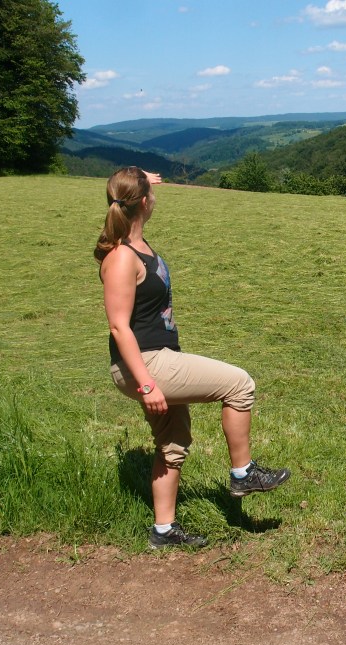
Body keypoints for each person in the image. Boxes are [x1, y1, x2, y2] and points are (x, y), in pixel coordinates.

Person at [95, 167, 290, 549]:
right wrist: (147, 384)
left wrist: (141, 174)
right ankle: (243, 472)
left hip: (156, 358)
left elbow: (122, 186)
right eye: (150, 192)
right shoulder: (121, 257)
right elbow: (119, 327)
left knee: (173, 443)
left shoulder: (135, 244)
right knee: (239, 384)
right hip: (146, 364)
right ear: (144, 202)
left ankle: (163, 531)